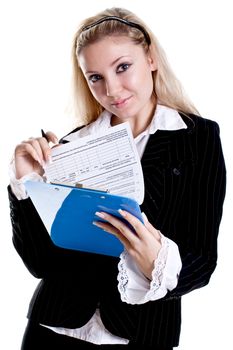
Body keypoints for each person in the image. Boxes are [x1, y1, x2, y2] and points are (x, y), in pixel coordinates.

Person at [8, 6, 226, 350]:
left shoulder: (197, 138)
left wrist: (155, 257)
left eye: (123, 67)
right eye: (95, 77)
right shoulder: (72, 145)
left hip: (141, 333)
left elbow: (202, 260)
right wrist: (25, 184)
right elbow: (41, 263)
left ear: (151, 58)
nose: (112, 89)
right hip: (52, 328)